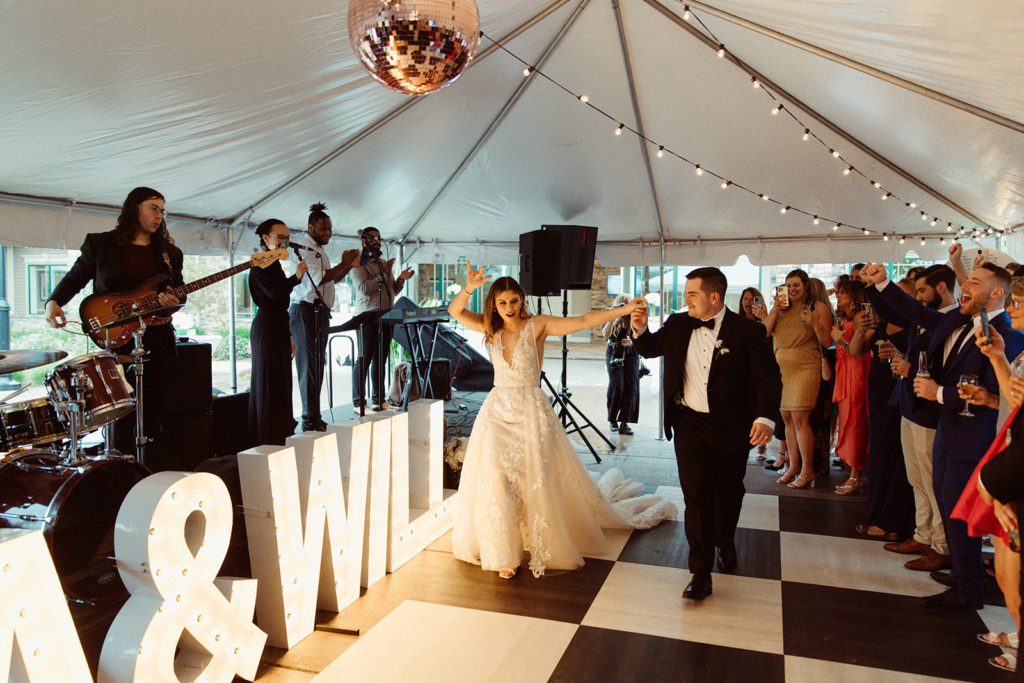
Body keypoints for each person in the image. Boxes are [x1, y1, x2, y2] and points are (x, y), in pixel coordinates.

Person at [448, 266, 675, 580]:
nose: (510, 308)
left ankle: (538, 539)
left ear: (522, 300)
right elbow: (454, 310)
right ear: (494, 305)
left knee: (532, 478)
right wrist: (469, 286)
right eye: (503, 303)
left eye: (514, 301)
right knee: (496, 479)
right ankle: (503, 553)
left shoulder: (537, 325)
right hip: (497, 413)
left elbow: (582, 321)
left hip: (530, 411)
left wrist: (623, 309)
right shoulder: (489, 328)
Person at [861, 259, 1024, 609]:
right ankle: (963, 573)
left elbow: (996, 394)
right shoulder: (957, 320)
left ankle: (970, 590)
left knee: (960, 510)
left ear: (997, 293)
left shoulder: (1009, 336)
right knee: (947, 504)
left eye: (975, 281)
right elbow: (916, 312)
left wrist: (938, 393)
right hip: (948, 429)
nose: (965, 285)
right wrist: (882, 285)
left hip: (974, 436)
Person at [632, 267, 782, 600]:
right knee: (696, 495)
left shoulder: (747, 331)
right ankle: (700, 572)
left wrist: (765, 418)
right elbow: (649, 348)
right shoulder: (678, 322)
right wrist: (640, 329)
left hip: (733, 425)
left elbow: (769, 378)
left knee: (729, 492)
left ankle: (725, 540)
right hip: (689, 424)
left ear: (714, 297)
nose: (685, 300)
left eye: (691, 294)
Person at [44, 187, 184, 461]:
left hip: (155, 336)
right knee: (120, 408)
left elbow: (179, 295)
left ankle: (150, 466)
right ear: (134, 209)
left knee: (154, 408)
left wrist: (171, 301)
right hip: (115, 334)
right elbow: (76, 277)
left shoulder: (170, 253)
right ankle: (120, 465)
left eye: (162, 210)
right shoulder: (101, 244)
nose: (159, 215)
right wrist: (54, 301)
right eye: (153, 208)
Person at [953, 281, 1024, 673]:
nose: (1012, 308)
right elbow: (1016, 402)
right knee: (1005, 566)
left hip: (1013, 471)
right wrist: (998, 359)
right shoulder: (1020, 348)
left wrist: (993, 484)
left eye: (1019, 302)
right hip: (1008, 459)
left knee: (1014, 573)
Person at [870, 264, 957, 572]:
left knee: (933, 482)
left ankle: (941, 545)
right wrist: (872, 288)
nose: (918, 297)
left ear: (942, 288)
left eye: (922, 291)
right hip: (910, 405)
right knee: (916, 478)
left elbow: (945, 369)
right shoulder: (927, 318)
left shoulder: (950, 319)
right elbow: (894, 313)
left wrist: (883, 283)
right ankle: (923, 534)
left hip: (930, 411)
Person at [757, 269, 833, 489]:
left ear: (806, 285)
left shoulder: (817, 307)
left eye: (796, 285)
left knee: (800, 419)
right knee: (787, 419)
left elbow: (827, 341)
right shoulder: (781, 308)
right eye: (788, 285)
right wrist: (773, 311)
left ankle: (808, 470)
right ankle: (793, 465)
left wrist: (813, 323)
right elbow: (765, 334)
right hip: (781, 368)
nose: (792, 290)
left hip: (805, 366)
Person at [848, 285, 914, 539]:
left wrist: (899, 354)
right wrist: (863, 329)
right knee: (879, 455)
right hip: (878, 394)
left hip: (901, 393)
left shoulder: (913, 326)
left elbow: (921, 358)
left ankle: (894, 523)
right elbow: (855, 350)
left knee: (896, 458)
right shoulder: (881, 325)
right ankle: (877, 516)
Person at [288, 203, 360, 432]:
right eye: (322, 229)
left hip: (319, 312)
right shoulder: (305, 249)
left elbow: (331, 279)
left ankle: (314, 415)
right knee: (309, 366)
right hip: (305, 311)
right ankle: (308, 419)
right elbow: (319, 279)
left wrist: (347, 266)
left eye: (329, 228)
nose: (327, 233)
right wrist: (346, 263)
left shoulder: (318, 248)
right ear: (310, 227)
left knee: (318, 365)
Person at [248, 219, 308, 445]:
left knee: (281, 381)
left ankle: (280, 431)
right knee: (270, 380)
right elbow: (275, 294)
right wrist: (296, 277)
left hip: (279, 324)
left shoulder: (272, 263)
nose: (284, 241)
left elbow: (280, 298)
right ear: (265, 239)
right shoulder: (261, 263)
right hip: (267, 325)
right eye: (279, 237)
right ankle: (267, 435)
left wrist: (289, 336)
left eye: (286, 237)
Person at [349, 226, 414, 412]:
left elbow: (392, 290)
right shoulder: (358, 264)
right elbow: (363, 288)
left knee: (381, 359)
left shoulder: (382, 262)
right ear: (364, 240)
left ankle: (379, 401)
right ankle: (358, 403)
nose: (377, 241)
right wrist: (383, 274)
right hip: (367, 317)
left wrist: (400, 279)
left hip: (386, 315)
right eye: (373, 238)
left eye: (379, 238)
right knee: (364, 359)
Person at [830, 279, 871, 494]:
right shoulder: (843, 317)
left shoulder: (859, 318)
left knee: (855, 421)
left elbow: (856, 350)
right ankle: (855, 471)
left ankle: (856, 474)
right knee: (847, 420)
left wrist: (840, 339)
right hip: (844, 370)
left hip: (855, 370)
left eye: (842, 292)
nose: (838, 296)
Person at [602, 293, 640, 436]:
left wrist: (633, 342)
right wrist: (613, 315)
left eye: (626, 304)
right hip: (613, 354)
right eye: (621, 304)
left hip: (631, 355)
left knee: (630, 388)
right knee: (617, 385)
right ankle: (612, 419)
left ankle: (624, 423)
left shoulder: (635, 317)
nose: (624, 307)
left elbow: (642, 336)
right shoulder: (611, 314)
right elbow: (605, 334)